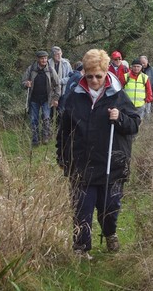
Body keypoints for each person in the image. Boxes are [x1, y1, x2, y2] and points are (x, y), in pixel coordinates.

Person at [56, 49, 140, 258]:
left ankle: (109, 232)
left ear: (105, 73)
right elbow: (64, 131)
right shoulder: (74, 97)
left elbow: (134, 124)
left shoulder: (118, 96)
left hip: (111, 165)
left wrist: (119, 117)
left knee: (109, 208)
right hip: (82, 164)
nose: (94, 80)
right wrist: (63, 157)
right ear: (84, 73)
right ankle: (81, 249)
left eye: (98, 76)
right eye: (89, 76)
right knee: (81, 209)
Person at [22, 51, 60, 146]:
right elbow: (23, 82)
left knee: (46, 118)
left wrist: (56, 98)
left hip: (47, 99)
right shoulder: (31, 69)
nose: (44, 60)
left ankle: (45, 137)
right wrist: (26, 84)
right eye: (42, 58)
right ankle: (35, 140)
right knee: (34, 119)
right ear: (38, 59)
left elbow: (57, 85)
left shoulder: (50, 70)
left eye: (46, 58)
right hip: (34, 99)